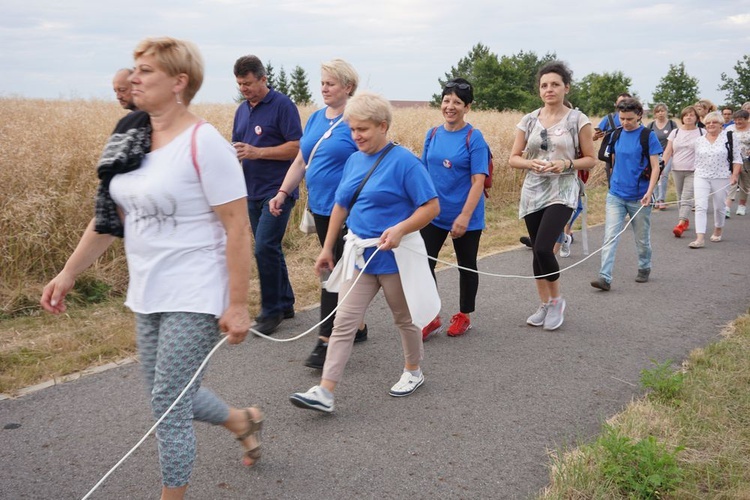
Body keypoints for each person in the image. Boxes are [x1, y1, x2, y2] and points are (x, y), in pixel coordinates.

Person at [40, 37, 261, 500]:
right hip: (147, 290)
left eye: (146, 70)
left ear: (179, 82)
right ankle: (241, 419)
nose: (133, 77)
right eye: (134, 69)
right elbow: (109, 220)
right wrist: (68, 272)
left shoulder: (205, 144)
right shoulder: (132, 138)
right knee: (173, 395)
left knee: (167, 404)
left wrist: (237, 304)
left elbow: (238, 228)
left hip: (196, 289)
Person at [289, 92, 440, 413]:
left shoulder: (405, 163)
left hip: (394, 259)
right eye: (353, 129)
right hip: (358, 255)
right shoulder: (355, 159)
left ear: (383, 126)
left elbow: (431, 207)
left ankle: (413, 371)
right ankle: (325, 392)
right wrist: (328, 248)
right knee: (343, 321)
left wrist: (400, 229)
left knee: (404, 318)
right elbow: (341, 205)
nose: (356, 136)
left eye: (363, 130)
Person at [268, 59, 368, 369]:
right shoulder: (313, 119)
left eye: (331, 83)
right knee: (339, 270)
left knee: (332, 272)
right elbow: (300, 161)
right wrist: (283, 192)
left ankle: (326, 340)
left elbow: (370, 159)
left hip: (348, 210)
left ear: (347, 88)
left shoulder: (356, 120)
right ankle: (358, 327)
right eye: (322, 82)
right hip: (320, 208)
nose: (324, 87)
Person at [508, 61, 596, 330]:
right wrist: (530, 164)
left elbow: (591, 159)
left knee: (545, 246)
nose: (549, 89)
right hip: (533, 189)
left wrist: (566, 164)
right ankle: (544, 303)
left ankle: (557, 301)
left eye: (555, 84)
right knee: (537, 250)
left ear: (566, 88)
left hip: (563, 188)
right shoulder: (529, 120)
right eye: (544, 85)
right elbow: (513, 158)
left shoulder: (578, 120)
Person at [232, 55, 303, 335]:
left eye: (248, 83)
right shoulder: (241, 110)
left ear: (263, 79)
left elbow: (297, 147)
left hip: (278, 190)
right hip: (251, 189)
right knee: (270, 247)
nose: (244, 89)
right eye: (239, 84)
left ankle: (270, 311)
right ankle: (285, 302)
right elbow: (238, 145)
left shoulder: (283, 105)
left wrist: (257, 152)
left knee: (263, 247)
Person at [419, 78, 490, 339]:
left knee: (466, 265)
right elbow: (423, 171)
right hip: (434, 213)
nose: (450, 106)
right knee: (424, 262)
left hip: (466, 214)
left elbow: (478, 181)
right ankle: (431, 315)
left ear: (467, 107)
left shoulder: (474, 137)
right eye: (446, 100)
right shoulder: (433, 134)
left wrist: (464, 216)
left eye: (457, 102)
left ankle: (464, 315)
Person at [590, 97, 662, 291]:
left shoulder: (648, 136)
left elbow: (655, 167)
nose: (625, 122)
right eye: (622, 118)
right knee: (610, 236)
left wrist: (649, 192)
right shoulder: (616, 134)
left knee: (641, 239)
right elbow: (612, 159)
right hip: (615, 195)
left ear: (639, 116)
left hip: (639, 197)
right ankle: (604, 277)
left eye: (629, 119)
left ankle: (644, 266)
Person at [688, 111, 742, 248]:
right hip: (701, 175)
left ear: (721, 125)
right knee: (700, 206)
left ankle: (718, 228)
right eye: (708, 123)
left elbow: (737, 159)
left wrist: (734, 175)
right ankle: (700, 238)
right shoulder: (699, 140)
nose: (711, 125)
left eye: (714, 122)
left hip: (722, 176)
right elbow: (696, 160)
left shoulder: (729, 138)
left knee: (719, 206)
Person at [661, 105, 704, 237]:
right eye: (686, 115)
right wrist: (662, 166)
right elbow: (668, 151)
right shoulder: (675, 132)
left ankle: (680, 223)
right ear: (682, 118)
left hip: (694, 170)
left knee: (687, 197)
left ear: (696, 118)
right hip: (677, 168)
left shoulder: (703, 132)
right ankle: (684, 220)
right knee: (680, 197)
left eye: (692, 115)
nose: (689, 117)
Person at [593, 92, 632, 184]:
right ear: (616, 104)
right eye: (621, 102)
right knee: (613, 182)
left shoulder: (635, 119)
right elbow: (594, 137)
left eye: (626, 101)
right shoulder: (609, 118)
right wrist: (596, 136)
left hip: (631, 155)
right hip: (612, 157)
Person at [648, 103, 678, 210]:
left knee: (664, 173)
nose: (660, 113)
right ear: (655, 113)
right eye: (658, 111)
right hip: (655, 154)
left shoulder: (671, 124)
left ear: (666, 112)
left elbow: (676, 138)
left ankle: (661, 199)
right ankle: (655, 198)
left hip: (668, 153)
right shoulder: (651, 125)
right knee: (654, 174)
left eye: (662, 111)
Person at [724, 109, 750, 216]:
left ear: (747, 119)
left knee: (745, 184)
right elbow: (724, 142)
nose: (738, 122)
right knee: (732, 182)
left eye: (740, 120)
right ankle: (727, 208)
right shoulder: (729, 129)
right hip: (733, 160)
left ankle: (742, 206)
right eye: (736, 120)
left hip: (747, 160)